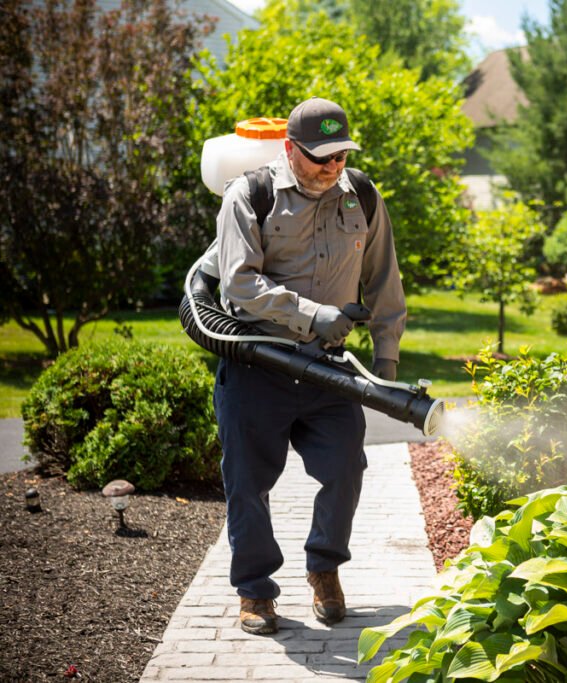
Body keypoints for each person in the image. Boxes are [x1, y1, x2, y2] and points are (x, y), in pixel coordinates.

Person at [212, 96, 406, 635]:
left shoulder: (361, 195)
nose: (332, 166)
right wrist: (312, 314)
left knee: (346, 468)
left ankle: (324, 567)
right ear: (290, 148)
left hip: (328, 369)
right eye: (321, 156)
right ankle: (254, 592)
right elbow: (239, 283)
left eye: (340, 154)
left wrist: (385, 358)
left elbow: (385, 279)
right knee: (247, 484)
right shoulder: (250, 196)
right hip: (257, 364)